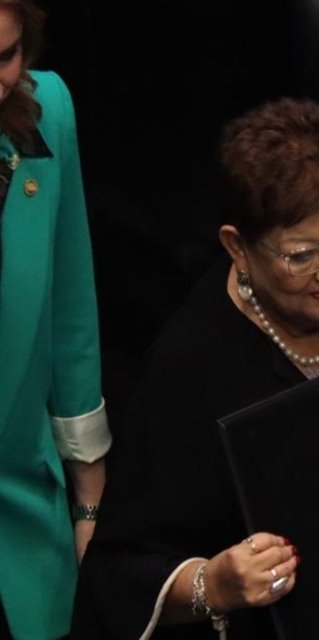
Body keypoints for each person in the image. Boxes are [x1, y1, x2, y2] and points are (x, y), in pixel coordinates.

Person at [72, 98, 319, 639]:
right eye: (302, 254)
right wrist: (214, 585)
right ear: (237, 248)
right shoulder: (190, 370)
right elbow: (117, 572)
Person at [0, 1, 111, 638]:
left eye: (5, 55)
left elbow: (71, 307)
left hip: (21, 521)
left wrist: (88, 495)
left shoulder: (48, 112)